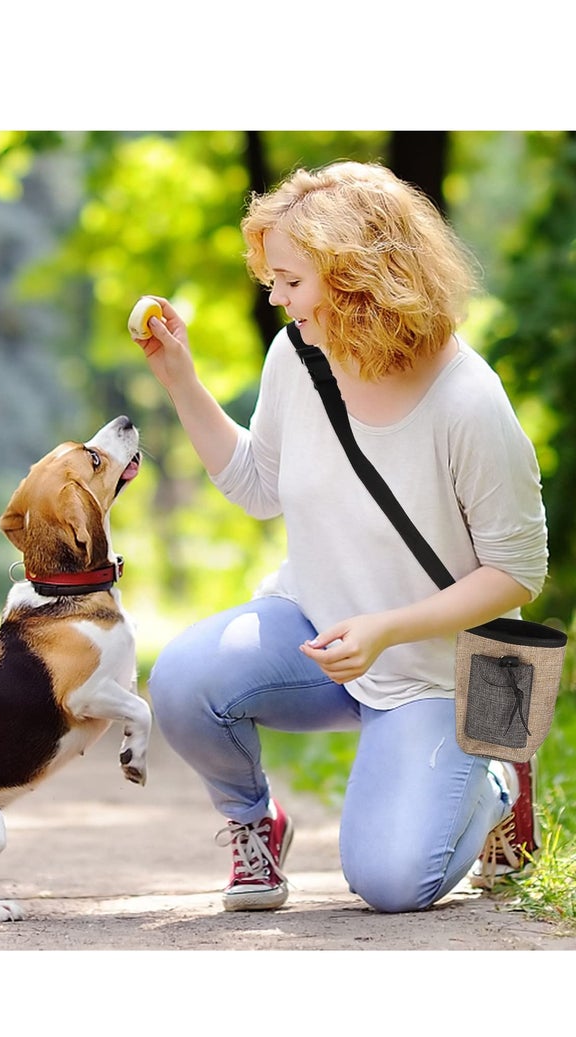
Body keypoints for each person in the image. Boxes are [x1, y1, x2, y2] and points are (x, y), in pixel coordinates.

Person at [131, 160, 549, 914]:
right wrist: (181, 381)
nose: (274, 297)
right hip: (319, 632)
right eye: (270, 278)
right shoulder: (298, 354)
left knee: (391, 882)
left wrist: (388, 629)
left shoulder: (468, 401)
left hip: (436, 670)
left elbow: (518, 573)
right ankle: (254, 823)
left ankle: (496, 775)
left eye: (289, 279)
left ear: (357, 275)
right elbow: (259, 485)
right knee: (185, 681)